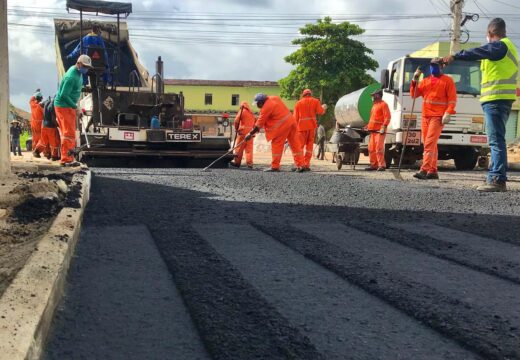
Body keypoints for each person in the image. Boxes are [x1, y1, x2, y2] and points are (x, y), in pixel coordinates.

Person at [444, 18, 518, 192]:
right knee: (497, 140)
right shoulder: (506, 49)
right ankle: (496, 177)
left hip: (496, 100)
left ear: (491, 34)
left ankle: (497, 180)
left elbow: (479, 51)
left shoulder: (500, 46)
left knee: (495, 141)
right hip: (499, 100)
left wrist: (455, 56)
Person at [410, 58, 457, 180]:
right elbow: (414, 95)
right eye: (431, 65)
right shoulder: (425, 81)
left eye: (435, 65)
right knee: (429, 144)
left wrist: (448, 112)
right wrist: (414, 80)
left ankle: (424, 169)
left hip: (437, 117)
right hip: (425, 116)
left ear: (442, 67)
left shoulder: (448, 81)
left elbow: (452, 100)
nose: (433, 67)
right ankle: (433, 170)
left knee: (429, 143)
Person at [245, 93, 304, 172]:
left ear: (261, 102)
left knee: (277, 145)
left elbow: (259, 123)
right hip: (291, 122)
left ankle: (275, 166)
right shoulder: (274, 98)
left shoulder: (266, 107)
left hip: (282, 126)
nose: (257, 106)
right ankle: (300, 165)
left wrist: (250, 134)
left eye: (257, 104)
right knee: (295, 144)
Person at [54, 54, 93, 167]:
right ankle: (66, 159)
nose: (86, 69)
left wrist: (76, 106)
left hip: (69, 105)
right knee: (68, 133)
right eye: (85, 66)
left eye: (88, 67)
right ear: (79, 64)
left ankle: (70, 157)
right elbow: (63, 95)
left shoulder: (79, 73)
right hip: (63, 106)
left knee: (70, 133)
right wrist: (75, 107)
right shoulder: (71, 77)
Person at [293, 89, 327, 170]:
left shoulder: (298, 103)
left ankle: (300, 165)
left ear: (303, 95)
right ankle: (306, 165)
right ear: (310, 94)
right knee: (309, 147)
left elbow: (295, 118)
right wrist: (324, 108)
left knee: (300, 147)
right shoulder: (315, 101)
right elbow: (320, 112)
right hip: (312, 128)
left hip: (301, 128)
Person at [365, 89, 391, 171]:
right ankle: (374, 165)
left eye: (374, 95)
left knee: (379, 148)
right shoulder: (374, 106)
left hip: (379, 131)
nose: (372, 97)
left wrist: (383, 127)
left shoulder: (384, 105)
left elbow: (387, 117)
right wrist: (367, 126)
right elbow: (372, 119)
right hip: (372, 131)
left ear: (378, 95)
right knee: (371, 148)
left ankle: (381, 165)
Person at [230, 101, 256, 169]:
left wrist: (236, 128)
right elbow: (255, 122)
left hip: (242, 132)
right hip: (250, 133)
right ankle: (249, 164)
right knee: (249, 149)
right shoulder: (251, 113)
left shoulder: (242, 111)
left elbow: (236, 120)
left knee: (239, 148)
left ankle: (237, 163)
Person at [29, 90, 44, 155]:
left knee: (35, 138)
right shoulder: (40, 106)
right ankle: (36, 151)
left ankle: (34, 150)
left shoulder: (32, 104)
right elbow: (45, 114)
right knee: (41, 138)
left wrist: (35, 93)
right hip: (39, 124)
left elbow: (31, 100)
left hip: (33, 123)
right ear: (41, 99)